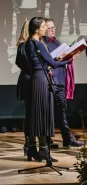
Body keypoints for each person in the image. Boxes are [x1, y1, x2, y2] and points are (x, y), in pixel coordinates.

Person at [24, 17, 74, 162]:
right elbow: (52, 62)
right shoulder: (38, 43)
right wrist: (69, 59)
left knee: (38, 114)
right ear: (36, 29)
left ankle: (34, 148)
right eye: (44, 26)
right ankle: (44, 150)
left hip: (36, 78)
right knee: (44, 114)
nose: (46, 29)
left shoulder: (29, 43)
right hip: (42, 80)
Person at [42, 18, 82, 147]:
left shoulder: (57, 42)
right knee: (49, 112)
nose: (53, 30)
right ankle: (47, 140)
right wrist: (65, 59)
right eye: (49, 28)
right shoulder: (42, 44)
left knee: (62, 110)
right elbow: (50, 62)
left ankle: (67, 138)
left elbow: (61, 59)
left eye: (53, 27)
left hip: (60, 80)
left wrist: (71, 55)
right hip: (50, 81)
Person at [15, 20, 34, 158]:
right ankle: (29, 144)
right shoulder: (23, 45)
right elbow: (21, 62)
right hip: (29, 80)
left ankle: (31, 144)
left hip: (30, 79)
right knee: (30, 113)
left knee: (32, 113)